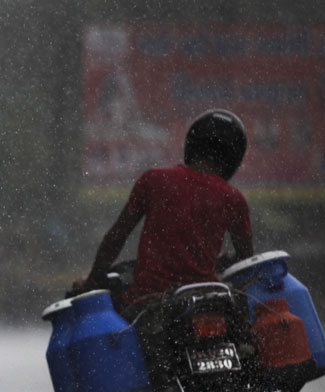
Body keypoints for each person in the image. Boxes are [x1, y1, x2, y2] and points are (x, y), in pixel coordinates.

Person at [77, 109, 254, 307]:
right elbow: (246, 262)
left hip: (148, 302)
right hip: (204, 303)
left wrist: (90, 282)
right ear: (234, 158)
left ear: (192, 144)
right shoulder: (233, 199)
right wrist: (219, 263)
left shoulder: (154, 179)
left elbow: (116, 237)